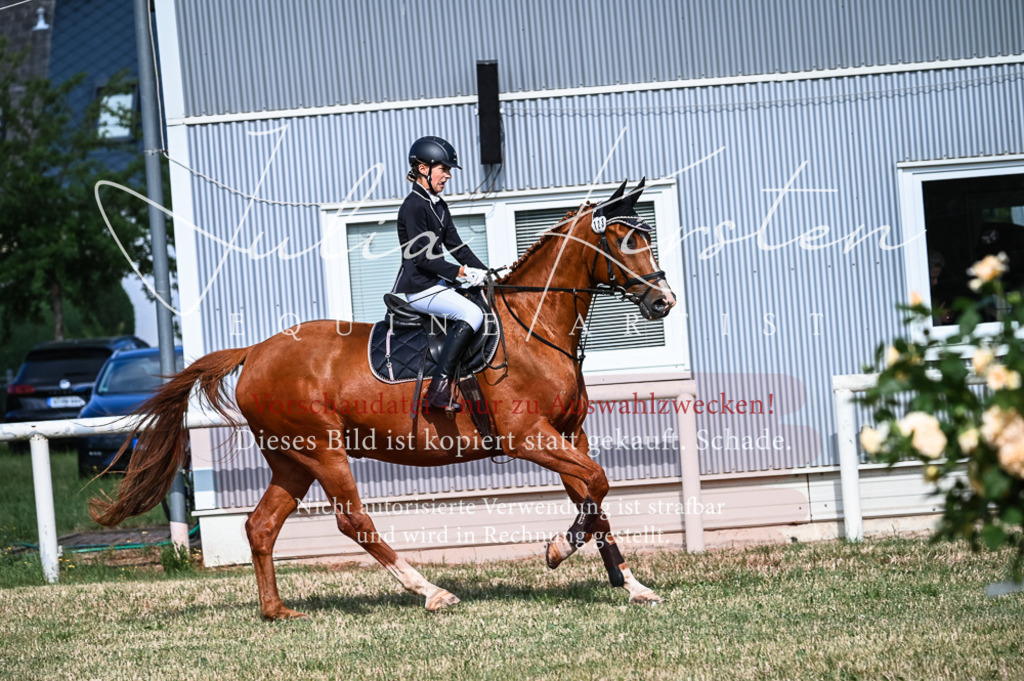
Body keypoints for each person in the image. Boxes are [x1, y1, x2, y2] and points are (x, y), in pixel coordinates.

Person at [394, 136, 488, 412]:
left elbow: (457, 246)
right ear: (423, 169)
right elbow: (423, 258)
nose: (447, 175)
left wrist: (485, 272)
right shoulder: (413, 207)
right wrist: (461, 271)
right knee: (472, 314)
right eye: (443, 169)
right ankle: (438, 390)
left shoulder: (438, 205)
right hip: (419, 288)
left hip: (437, 284)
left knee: (484, 301)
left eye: (448, 170)